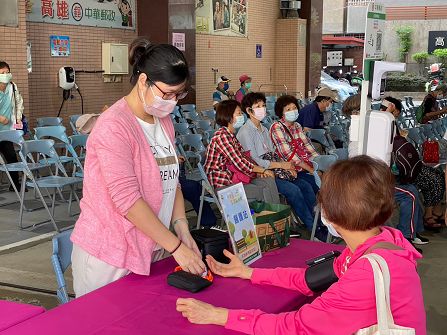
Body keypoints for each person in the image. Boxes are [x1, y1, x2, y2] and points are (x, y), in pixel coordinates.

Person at [177, 156, 426, 334]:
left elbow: (296, 326)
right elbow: (309, 279)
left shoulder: (365, 272)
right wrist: (248, 272)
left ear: (331, 211)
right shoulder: (384, 241)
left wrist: (218, 315)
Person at [70, 38, 205, 297]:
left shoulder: (162, 121)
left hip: (150, 246)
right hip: (110, 254)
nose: (173, 101)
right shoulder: (115, 126)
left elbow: (171, 181)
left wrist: (182, 229)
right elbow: (127, 200)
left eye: (179, 94)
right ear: (143, 81)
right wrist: (176, 247)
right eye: (168, 94)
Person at [342, 95, 428, 252]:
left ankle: (412, 233)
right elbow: (361, 159)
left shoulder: (364, 126)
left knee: (412, 189)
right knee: (410, 195)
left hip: (375, 177)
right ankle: (406, 238)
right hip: (369, 183)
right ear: (356, 112)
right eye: (364, 109)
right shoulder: (357, 130)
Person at [237, 92, 326, 240]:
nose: (262, 109)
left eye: (264, 106)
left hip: (275, 169)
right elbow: (254, 161)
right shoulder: (245, 132)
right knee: (294, 190)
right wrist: (283, 165)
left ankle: (320, 223)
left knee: (305, 186)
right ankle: (313, 228)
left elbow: (273, 152)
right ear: (248, 111)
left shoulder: (264, 129)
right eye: (257, 106)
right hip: (262, 173)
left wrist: (287, 167)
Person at [381, 96, 444, 232]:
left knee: (437, 175)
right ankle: (415, 228)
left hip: (406, 167)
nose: (398, 114)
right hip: (400, 170)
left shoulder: (390, 124)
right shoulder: (382, 124)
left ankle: (430, 214)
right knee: (427, 182)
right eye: (397, 111)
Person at [204, 99, 280, 204]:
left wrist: (259, 172)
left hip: (235, 178)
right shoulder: (222, 137)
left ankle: (275, 216)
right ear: (229, 116)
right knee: (261, 190)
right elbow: (240, 163)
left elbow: (245, 158)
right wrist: (262, 170)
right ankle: (269, 216)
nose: (242, 116)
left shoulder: (231, 136)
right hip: (224, 185)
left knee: (268, 181)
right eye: (239, 113)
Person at [270, 95, 319, 194]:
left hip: (303, 166)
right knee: (309, 187)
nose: (292, 111)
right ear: (281, 113)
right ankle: (313, 209)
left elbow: (308, 146)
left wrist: (318, 164)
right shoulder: (277, 127)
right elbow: (288, 155)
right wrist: (311, 169)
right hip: (291, 168)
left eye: (294, 108)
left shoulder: (297, 126)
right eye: (288, 109)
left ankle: (319, 208)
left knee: (320, 183)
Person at [0, 61, 24, 191]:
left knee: (11, 157)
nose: (6, 75)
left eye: (7, 72)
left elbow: (19, 103)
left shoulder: (12, 86)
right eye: (2, 73)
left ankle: (15, 185)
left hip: (7, 131)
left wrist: (18, 118)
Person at [178, 156, 217, 227]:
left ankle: (209, 223)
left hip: (176, 179)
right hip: (161, 185)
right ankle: (209, 223)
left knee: (194, 187)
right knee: (192, 187)